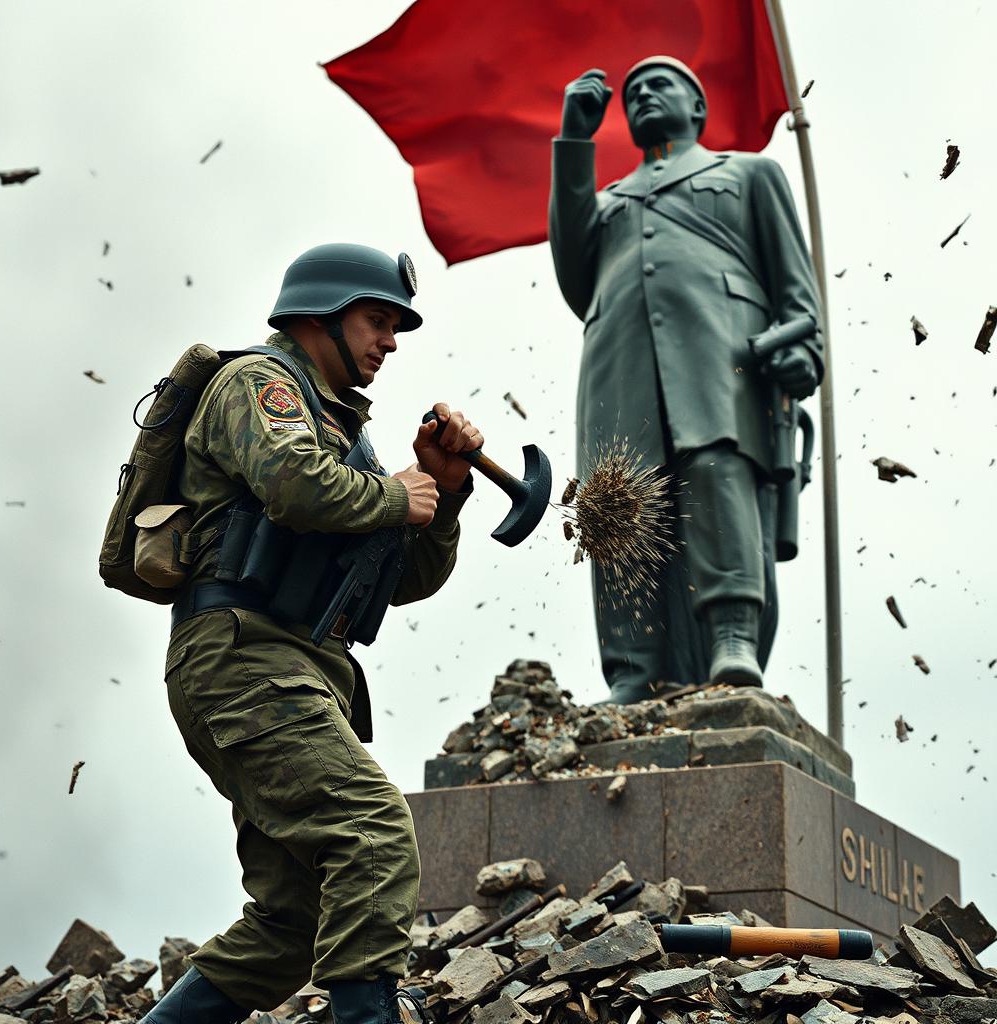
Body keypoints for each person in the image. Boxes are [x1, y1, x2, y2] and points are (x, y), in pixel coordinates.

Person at [143, 244, 482, 1024]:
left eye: (395, 326)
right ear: (319, 315)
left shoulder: (347, 438)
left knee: (292, 921)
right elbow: (295, 484)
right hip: (244, 659)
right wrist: (396, 494)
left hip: (295, 668)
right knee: (372, 831)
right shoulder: (259, 383)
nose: (390, 341)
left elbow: (401, 580)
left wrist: (444, 487)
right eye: (377, 319)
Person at [549, 56, 823, 702]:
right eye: (634, 90)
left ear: (697, 108)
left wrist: (803, 354)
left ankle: (733, 635)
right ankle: (631, 667)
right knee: (619, 505)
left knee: (716, 479)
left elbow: (800, 299)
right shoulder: (607, 201)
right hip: (619, 370)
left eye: (660, 85)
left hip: (721, 364)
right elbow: (575, 278)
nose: (643, 94)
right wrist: (574, 143)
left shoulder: (748, 174)